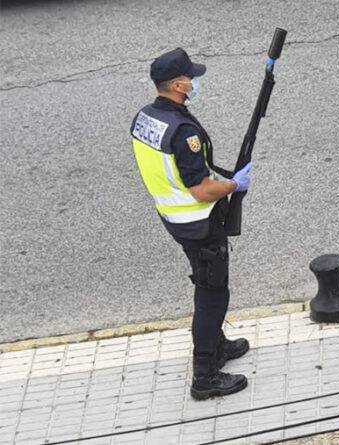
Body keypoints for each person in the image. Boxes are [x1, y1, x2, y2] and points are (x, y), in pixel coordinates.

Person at [130, 48, 254, 400]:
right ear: (177, 84)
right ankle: (205, 375)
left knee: (207, 283)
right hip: (198, 222)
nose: (194, 82)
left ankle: (217, 345)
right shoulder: (183, 132)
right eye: (190, 77)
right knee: (213, 292)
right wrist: (233, 185)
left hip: (175, 217)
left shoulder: (146, 118)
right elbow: (201, 190)